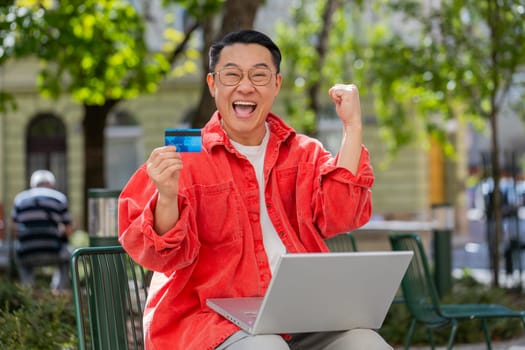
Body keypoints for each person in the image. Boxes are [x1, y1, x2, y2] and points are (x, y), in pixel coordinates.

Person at [119, 29, 390, 350]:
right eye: (232, 74)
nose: (245, 86)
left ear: (277, 84)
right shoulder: (185, 153)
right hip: (208, 319)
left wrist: (352, 127)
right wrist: (166, 196)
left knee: (366, 343)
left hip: (301, 315)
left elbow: (343, 215)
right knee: (266, 346)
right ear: (212, 84)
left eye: (259, 75)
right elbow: (156, 255)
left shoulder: (304, 152)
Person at [12, 169, 73, 292]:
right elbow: (68, 230)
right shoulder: (59, 198)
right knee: (69, 254)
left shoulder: (19, 199)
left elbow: (14, 230)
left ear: (32, 184)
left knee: (18, 249)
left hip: (26, 252)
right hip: (53, 251)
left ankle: (27, 291)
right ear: (52, 184)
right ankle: (59, 291)